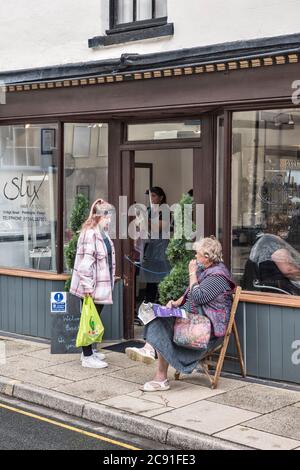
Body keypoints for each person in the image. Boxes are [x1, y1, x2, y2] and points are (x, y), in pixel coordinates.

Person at [130, 237, 236, 391]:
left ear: (207, 257)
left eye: (197, 254)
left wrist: (192, 273)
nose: (195, 257)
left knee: (161, 322)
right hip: (194, 320)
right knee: (157, 313)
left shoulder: (218, 276)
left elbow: (198, 296)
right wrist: (178, 302)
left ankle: (156, 365)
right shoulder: (207, 270)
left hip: (207, 330)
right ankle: (152, 356)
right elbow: (191, 292)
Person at [70, 198, 115, 369]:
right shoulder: (91, 234)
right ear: (99, 216)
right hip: (92, 287)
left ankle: (89, 351)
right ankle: (87, 356)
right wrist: (88, 288)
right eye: (108, 217)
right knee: (89, 319)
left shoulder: (101, 233)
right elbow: (84, 266)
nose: (110, 220)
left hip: (101, 284)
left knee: (93, 318)